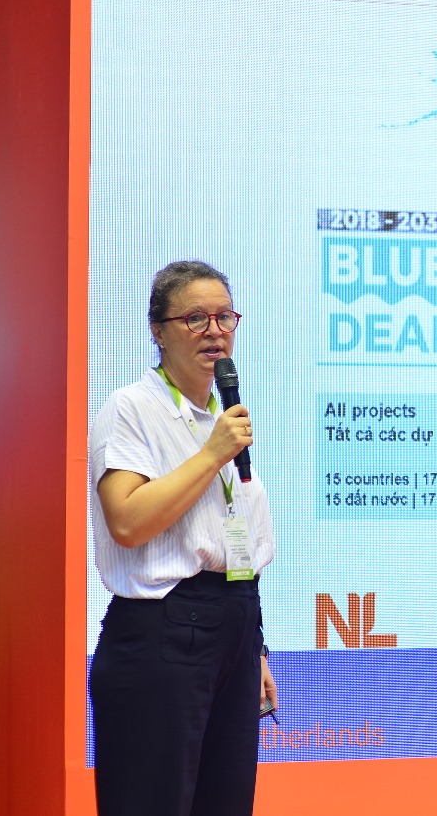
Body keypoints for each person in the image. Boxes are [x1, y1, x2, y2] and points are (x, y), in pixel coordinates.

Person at [88, 260, 277, 816]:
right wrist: (213, 454)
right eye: (195, 318)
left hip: (233, 627)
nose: (214, 331)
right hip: (164, 633)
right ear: (159, 331)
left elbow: (235, 542)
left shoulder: (221, 416)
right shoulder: (132, 408)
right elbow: (126, 521)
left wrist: (253, 646)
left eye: (224, 317)